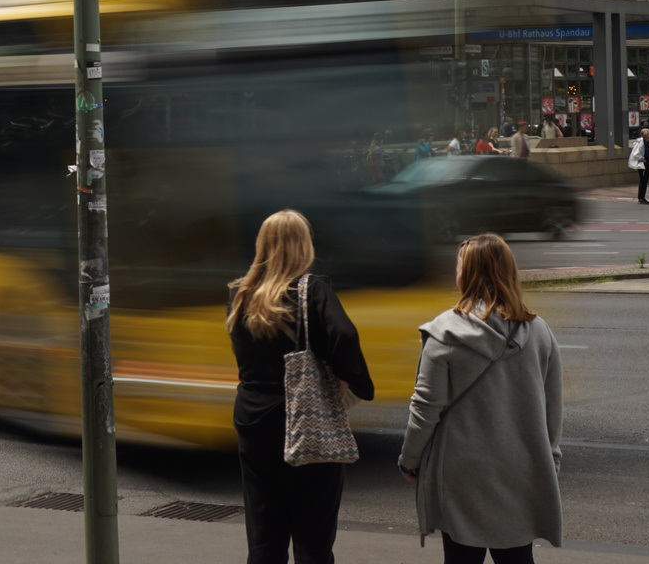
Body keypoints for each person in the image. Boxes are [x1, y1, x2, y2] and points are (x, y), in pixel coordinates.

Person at [398, 234, 563, 564]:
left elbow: (425, 406)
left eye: (459, 266)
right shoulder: (539, 331)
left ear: (467, 275)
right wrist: (551, 459)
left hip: (461, 472)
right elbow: (552, 405)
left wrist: (409, 459)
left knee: (460, 558)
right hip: (521, 467)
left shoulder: (444, 333)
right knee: (517, 558)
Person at [228, 210, 374, 564]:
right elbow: (344, 335)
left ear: (262, 246)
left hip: (253, 418)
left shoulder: (239, 294)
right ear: (303, 245)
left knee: (264, 535)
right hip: (306, 419)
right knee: (313, 538)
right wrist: (344, 383)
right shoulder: (313, 291)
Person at [630, 127, 649, 203]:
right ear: (645, 134)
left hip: (648, 163)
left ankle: (643, 197)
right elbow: (636, 152)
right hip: (643, 164)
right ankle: (641, 198)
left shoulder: (648, 141)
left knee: (645, 180)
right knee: (643, 180)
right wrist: (642, 159)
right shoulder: (640, 142)